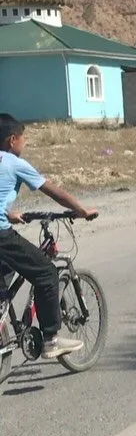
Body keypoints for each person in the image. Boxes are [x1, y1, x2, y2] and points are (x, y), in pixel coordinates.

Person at [0, 113, 98, 359]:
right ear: (12, 140)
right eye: (24, 138)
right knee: (46, 273)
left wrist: (7, 212)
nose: (25, 143)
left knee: (6, 274)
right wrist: (81, 210)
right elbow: (53, 190)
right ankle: (51, 339)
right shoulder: (13, 163)